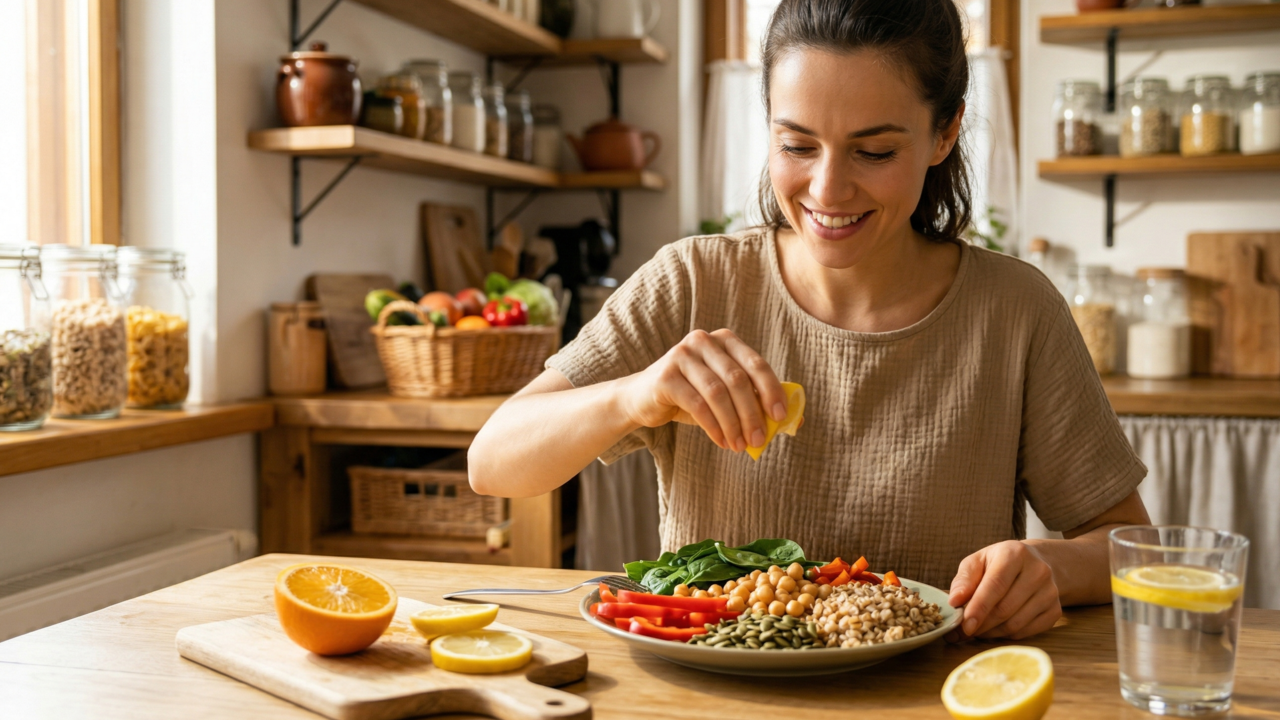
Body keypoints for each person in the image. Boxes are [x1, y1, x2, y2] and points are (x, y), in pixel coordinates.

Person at [469, 0, 1150, 642]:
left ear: (945, 133)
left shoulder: (1015, 312)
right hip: (716, 702)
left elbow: (1132, 549)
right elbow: (492, 461)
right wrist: (632, 395)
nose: (827, 191)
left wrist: (1049, 568)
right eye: (797, 146)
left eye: (874, 151)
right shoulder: (693, 281)